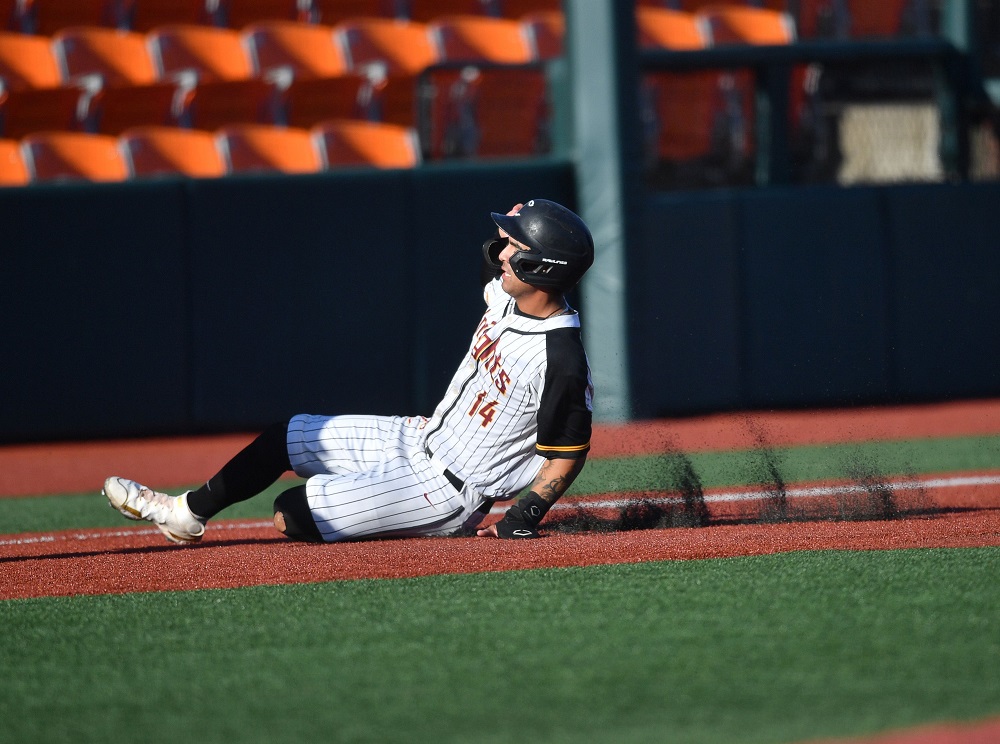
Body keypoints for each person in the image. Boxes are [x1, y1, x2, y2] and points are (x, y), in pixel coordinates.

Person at [103, 198, 595, 543]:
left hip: (447, 490)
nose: (498, 250)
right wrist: (521, 221)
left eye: (511, 244)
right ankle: (184, 514)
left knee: (290, 513)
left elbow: (568, 451)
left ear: (542, 267)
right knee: (286, 437)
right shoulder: (506, 296)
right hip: (420, 438)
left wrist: (524, 515)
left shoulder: (561, 359)